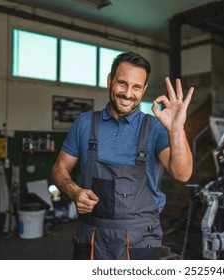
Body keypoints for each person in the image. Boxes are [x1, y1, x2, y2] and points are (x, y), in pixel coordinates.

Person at [51, 51, 194, 260]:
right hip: (91, 236)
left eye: (136, 87)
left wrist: (176, 129)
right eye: (122, 83)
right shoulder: (84, 123)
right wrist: (74, 192)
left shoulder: (154, 127)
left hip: (140, 238)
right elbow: (59, 169)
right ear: (110, 81)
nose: (128, 93)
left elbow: (182, 174)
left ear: (144, 89)